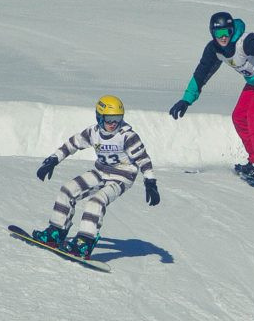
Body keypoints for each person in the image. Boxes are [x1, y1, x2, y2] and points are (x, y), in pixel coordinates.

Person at [169, 12, 254, 180]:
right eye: (218, 33)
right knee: (239, 117)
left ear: (232, 30)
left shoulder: (246, 42)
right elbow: (200, 75)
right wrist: (186, 100)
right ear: (212, 33)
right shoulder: (214, 50)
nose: (223, 37)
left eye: (226, 32)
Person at [32, 95, 160, 259]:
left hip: (122, 177)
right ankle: (56, 232)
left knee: (96, 202)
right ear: (99, 117)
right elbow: (73, 143)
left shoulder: (127, 136)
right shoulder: (94, 132)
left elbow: (143, 159)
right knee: (67, 190)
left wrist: (150, 182)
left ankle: (84, 242)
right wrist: (53, 160)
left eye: (118, 118)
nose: (114, 123)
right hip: (100, 172)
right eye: (109, 119)